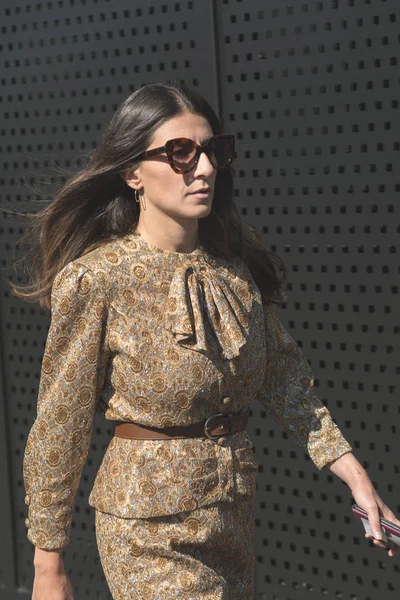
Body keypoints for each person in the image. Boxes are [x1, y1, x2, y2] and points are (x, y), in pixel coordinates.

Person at [12, 80, 399, 600]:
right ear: (133, 173)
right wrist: (47, 563)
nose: (206, 168)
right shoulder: (99, 278)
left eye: (213, 150)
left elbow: (287, 381)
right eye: (181, 153)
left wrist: (354, 475)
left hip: (232, 515)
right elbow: (61, 421)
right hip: (147, 530)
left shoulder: (234, 267)